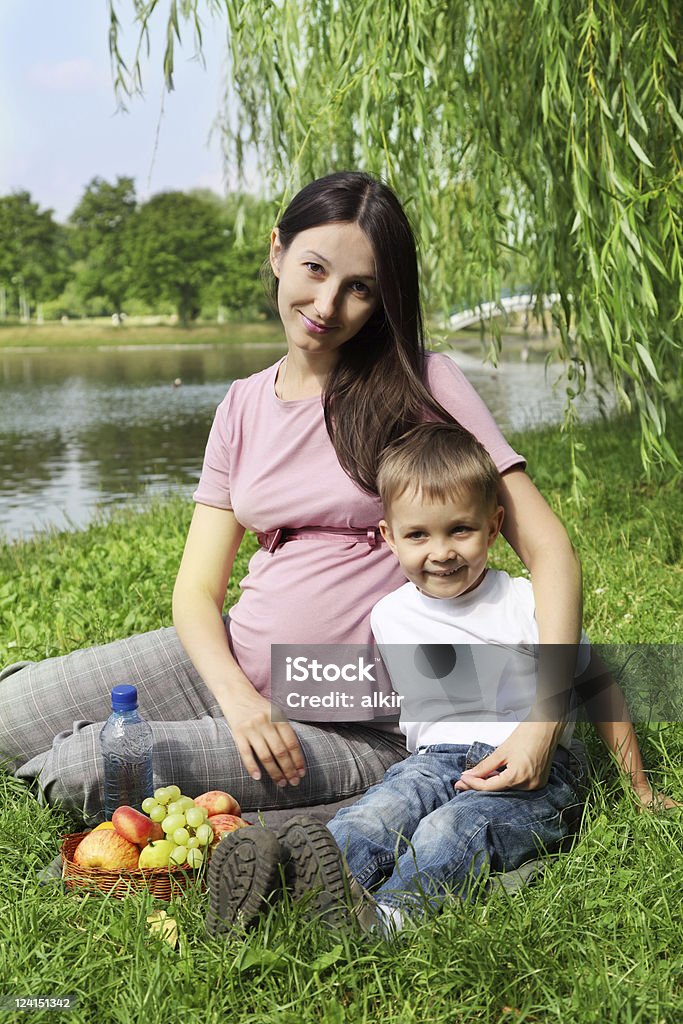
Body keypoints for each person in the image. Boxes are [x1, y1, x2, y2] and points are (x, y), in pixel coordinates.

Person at [0, 171, 629, 822]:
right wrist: (239, 701)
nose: (328, 303)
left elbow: (548, 550)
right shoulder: (242, 403)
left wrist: (541, 718)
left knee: (82, 771)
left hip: (360, 719)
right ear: (277, 251)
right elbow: (194, 590)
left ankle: (377, 787)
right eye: (314, 268)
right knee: (10, 717)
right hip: (239, 663)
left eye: (359, 288)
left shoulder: (422, 381)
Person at [204, 424, 677, 938]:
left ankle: (382, 921)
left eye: (460, 530)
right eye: (418, 535)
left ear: (494, 527)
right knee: (376, 815)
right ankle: (289, 891)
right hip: (431, 762)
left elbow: (598, 684)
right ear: (388, 537)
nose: (441, 552)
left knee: (448, 831)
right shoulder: (389, 615)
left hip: (535, 773)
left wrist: (638, 786)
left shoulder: (527, 603)